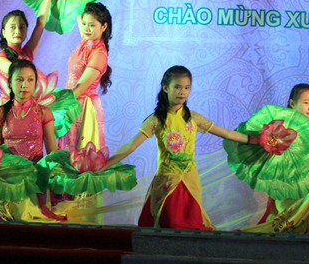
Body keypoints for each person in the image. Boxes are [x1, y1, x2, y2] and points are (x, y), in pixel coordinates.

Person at [102, 65, 255, 230]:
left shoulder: (193, 118)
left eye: (187, 88)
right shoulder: (156, 120)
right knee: (172, 224)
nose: (182, 92)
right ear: (165, 88)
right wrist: (104, 165)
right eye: (177, 87)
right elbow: (131, 146)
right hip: (168, 180)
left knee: (192, 225)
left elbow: (226, 133)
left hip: (190, 179)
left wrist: (254, 140)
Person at [241, 83, 309, 234]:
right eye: (306, 102)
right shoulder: (284, 127)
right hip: (293, 181)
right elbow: (272, 146)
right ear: (292, 103)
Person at [0, 59, 63, 222]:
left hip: (34, 178)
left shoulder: (43, 113)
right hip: (7, 177)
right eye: (19, 80)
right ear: (10, 82)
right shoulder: (0, 113)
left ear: (36, 83)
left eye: (30, 80)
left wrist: (60, 172)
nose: (25, 85)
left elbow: (52, 151)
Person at [58, 1, 112, 151]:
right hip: (71, 103)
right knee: (66, 153)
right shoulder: (86, 40)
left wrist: (57, 105)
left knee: (81, 155)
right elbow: (77, 8)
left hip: (84, 108)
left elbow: (80, 88)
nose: (86, 28)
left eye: (92, 25)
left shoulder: (99, 53)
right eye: (84, 24)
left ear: (104, 27)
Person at [0, 0, 50, 109]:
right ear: (4, 32)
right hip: (7, 108)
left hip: (26, 107)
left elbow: (40, 24)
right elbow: (17, 72)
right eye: (12, 27)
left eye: (22, 27)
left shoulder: (26, 53)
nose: (18, 31)